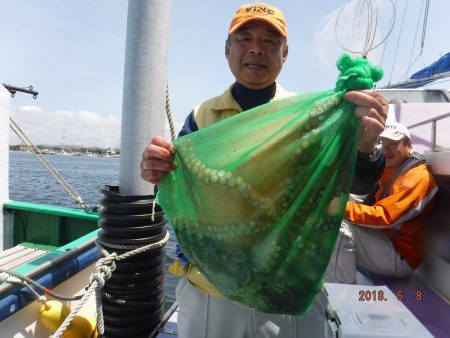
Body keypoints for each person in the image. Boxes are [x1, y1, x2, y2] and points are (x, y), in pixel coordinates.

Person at [140, 3, 389, 337]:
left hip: (289, 287)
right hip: (212, 289)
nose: (256, 48)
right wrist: (156, 169)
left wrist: (365, 147)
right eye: (244, 38)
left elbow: (356, 182)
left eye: (271, 42)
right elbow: (179, 193)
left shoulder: (313, 119)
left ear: (285, 53)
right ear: (227, 49)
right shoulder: (201, 118)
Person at [327, 122, 438, 284]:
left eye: (393, 144)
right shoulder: (390, 166)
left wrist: (342, 208)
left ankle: (343, 295)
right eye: (383, 143)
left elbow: (385, 217)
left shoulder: (418, 177)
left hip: (400, 256)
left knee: (339, 228)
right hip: (383, 241)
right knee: (335, 210)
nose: (386, 149)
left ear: (409, 144)